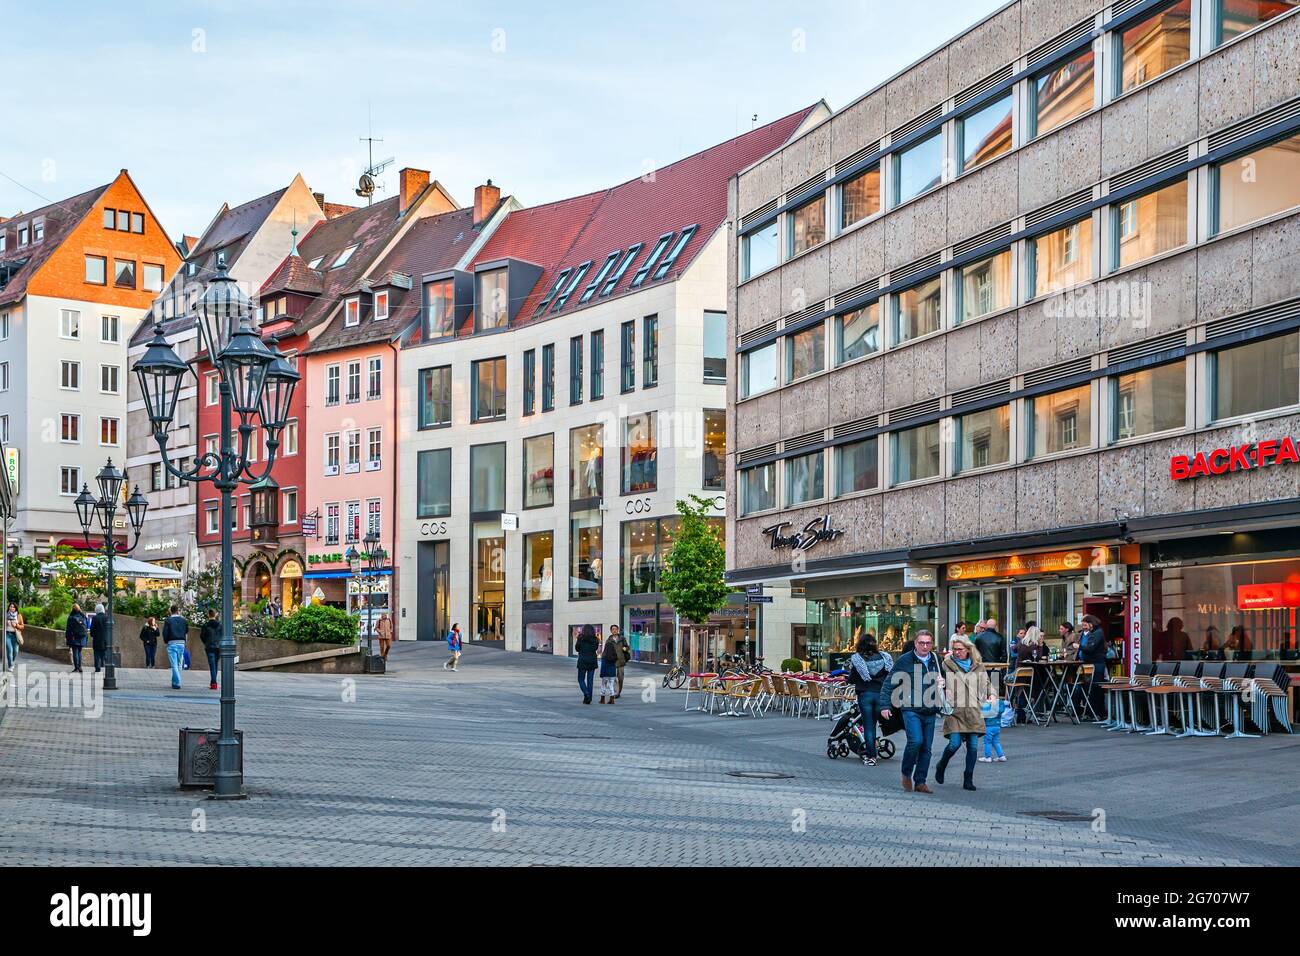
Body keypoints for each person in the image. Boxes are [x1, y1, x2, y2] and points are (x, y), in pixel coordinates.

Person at [879, 629, 943, 794]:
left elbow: (945, 682)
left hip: (930, 709)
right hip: (910, 708)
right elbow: (889, 683)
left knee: (926, 749)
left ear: (932, 644)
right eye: (921, 643)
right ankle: (906, 772)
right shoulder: (905, 660)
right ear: (915, 643)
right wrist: (885, 706)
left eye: (928, 643)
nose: (925, 646)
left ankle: (920, 782)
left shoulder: (936, 659)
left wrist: (943, 683)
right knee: (916, 741)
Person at [935, 635, 989, 791]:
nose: (956, 652)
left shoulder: (978, 666)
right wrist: (941, 686)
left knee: (972, 747)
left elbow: (986, 684)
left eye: (960, 649)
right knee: (954, 744)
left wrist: (990, 697)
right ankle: (941, 765)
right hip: (955, 710)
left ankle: (968, 778)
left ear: (968, 650)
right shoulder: (946, 664)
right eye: (954, 649)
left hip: (973, 710)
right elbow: (937, 683)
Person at [847, 634, 892, 767]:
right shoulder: (885, 657)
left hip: (865, 695)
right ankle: (876, 748)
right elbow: (891, 676)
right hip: (881, 695)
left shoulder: (857, 659)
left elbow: (852, 678)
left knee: (868, 726)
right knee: (876, 724)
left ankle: (871, 756)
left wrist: (848, 679)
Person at [1076, 614, 1108, 719]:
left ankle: (1098, 712)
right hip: (1092, 663)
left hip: (1096, 664)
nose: (1084, 627)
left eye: (1085, 624)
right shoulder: (1095, 632)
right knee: (1091, 688)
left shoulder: (1097, 633)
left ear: (1090, 624)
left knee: (1096, 688)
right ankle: (1092, 712)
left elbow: (1090, 648)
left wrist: (1079, 647)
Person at [162, 604, 189, 689]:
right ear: (178, 611)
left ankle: (177, 683)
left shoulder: (168, 620)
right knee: (178, 664)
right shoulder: (184, 620)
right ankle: (174, 682)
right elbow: (186, 631)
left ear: (171, 611)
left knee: (174, 664)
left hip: (172, 643)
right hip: (181, 643)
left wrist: (166, 641)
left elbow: (165, 633)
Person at [574, 624, 599, 704]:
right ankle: (589, 698)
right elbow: (595, 648)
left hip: (583, 660)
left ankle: (586, 694)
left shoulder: (580, 638)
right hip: (592, 660)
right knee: (590, 680)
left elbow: (577, 648)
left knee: (581, 679)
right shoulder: (595, 639)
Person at [981, 694, 1007, 763]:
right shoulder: (999, 705)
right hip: (997, 726)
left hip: (989, 727)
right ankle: (1001, 756)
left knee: (987, 742)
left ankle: (987, 757)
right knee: (996, 742)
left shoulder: (987, 705)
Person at [200, 609, 221, 690]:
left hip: (209, 647)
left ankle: (213, 683)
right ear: (215, 615)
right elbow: (222, 635)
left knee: (212, 665)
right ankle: (213, 681)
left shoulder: (205, 625)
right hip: (218, 647)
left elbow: (202, 636)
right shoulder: (220, 625)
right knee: (215, 665)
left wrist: (206, 642)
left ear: (208, 615)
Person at [65, 603, 88, 673]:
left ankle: (76, 668)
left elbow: (68, 629)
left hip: (74, 637)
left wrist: (67, 638)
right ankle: (80, 667)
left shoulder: (71, 617)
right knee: (79, 652)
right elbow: (86, 626)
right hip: (82, 637)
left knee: (75, 652)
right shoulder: (83, 616)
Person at [610, 624, 631, 698]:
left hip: (621, 661)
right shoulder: (609, 640)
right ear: (611, 631)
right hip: (612, 661)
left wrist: (626, 648)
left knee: (620, 678)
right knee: (613, 678)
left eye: (616, 629)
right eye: (613, 629)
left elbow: (628, 647)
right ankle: (616, 692)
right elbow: (606, 651)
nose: (614, 630)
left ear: (618, 630)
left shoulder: (622, 639)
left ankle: (619, 691)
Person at [598, 631, 620, 704]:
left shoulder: (604, 656)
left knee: (603, 685)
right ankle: (612, 699)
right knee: (611, 685)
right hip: (612, 673)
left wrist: (601, 674)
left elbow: (603, 666)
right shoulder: (614, 656)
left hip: (605, 673)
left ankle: (602, 699)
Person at [89, 603, 109, 673]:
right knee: (104, 653)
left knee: (96, 654)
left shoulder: (95, 618)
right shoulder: (107, 617)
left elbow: (92, 629)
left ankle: (97, 668)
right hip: (105, 639)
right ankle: (106, 667)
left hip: (97, 639)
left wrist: (92, 635)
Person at [5, 602, 24, 668]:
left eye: (13, 607)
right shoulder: (6, 615)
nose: (12, 608)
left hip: (15, 635)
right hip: (7, 634)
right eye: (11, 606)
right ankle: (10, 665)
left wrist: (16, 625)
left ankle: (12, 661)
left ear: (15, 608)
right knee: (9, 650)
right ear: (9, 607)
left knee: (15, 651)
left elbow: (22, 626)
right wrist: (6, 623)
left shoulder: (19, 615)